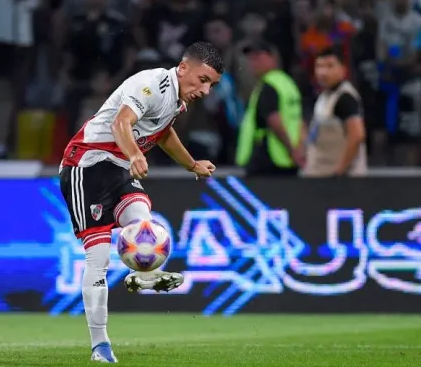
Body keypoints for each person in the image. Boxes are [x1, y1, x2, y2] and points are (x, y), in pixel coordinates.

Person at [58, 41, 223, 363]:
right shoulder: (151, 84)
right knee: (98, 257)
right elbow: (122, 122)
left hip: (117, 168)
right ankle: (100, 345)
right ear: (184, 67)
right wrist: (134, 154)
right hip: (87, 165)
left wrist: (191, 165)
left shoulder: (176, 101)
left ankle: (141, 272)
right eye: (203, 80)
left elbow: (162, 133)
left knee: (144, 220)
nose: (205, 90)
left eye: (212, 85)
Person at [236, 41, 305, 176]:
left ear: (273, 58)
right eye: (251, 59)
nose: (253, 63)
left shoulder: (269, 85)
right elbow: (299, 120)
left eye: (258, 58)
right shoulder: (287, 83)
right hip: (287, 159)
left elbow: (274, 120)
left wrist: (292, 150)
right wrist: (300, 150)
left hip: (268, 157)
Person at [303, 46, 367, 177]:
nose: (323, 72)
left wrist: (340, 171)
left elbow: (357, 135)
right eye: (319, 66)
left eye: (330, 66)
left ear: (343, 69)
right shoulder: (324, 96)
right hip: (320, 174)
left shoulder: (345, 98)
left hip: (340, 180)